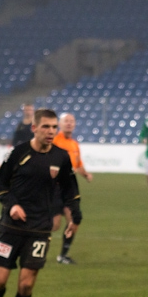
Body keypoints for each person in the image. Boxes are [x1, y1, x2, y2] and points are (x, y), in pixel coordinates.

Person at [0, 108, 82, 297]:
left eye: (54, 127)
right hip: (10, 227)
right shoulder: (17, 153)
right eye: (46, 127)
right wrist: (13, 205)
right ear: (34, 128)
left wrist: (74, 218)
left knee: (26, 284)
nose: (51, 131)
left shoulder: (61, 157)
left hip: (40, 229)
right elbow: (0, 186)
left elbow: (71, 191)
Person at [52, 112, 93, 265]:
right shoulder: (55, 141)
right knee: (54, 225)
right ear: (60, 124)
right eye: (66, 121)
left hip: (69, 188)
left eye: (71, 121)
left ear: (75, 124)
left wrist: (86, 174)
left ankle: (63, 255)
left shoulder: (75, 144)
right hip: (54, 188)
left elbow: (78, 164)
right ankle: (30, 243)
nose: (69, 123)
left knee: (74, 221)